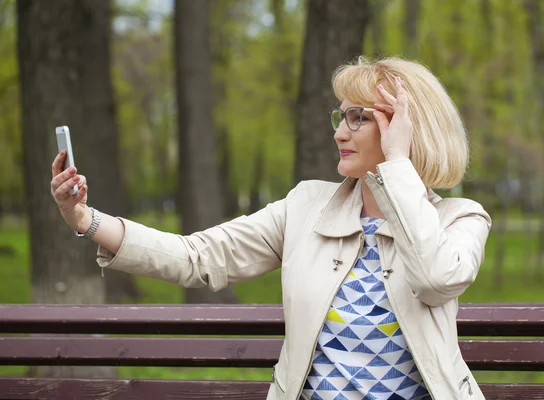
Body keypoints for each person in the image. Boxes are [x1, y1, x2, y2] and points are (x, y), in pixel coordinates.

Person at [50, 56, 491, 400]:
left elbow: (435, 279)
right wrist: (85, 219)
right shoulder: (306, 207)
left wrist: (397, 164)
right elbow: (197, 257)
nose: (340, 132)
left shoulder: (460, 219)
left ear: (408, 130)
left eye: (360, 117)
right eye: (341, 117)